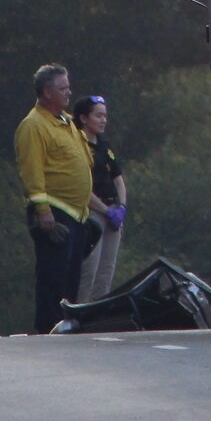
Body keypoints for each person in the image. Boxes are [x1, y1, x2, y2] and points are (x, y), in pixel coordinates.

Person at [14, 63, 93, 333]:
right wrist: (43, 211)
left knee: (70, 278)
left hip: (76, 212)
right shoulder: (33, 126)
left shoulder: (67, 121)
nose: (69, 92)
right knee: (53, 277)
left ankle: (66, 326)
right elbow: (32, 171)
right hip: (55, 212)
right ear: (47, 92)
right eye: (63, 88)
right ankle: (48, 329)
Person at [75, 95, 127, 302]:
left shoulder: (105, 146)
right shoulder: (78, 146)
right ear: (84, 118)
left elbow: (119, 179)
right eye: (98, 115)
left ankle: (100, 314)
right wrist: (105, 211)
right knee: (90, 270)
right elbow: (81, 188)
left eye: (105, 116)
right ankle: (79, 312)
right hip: (94, 213)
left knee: (106, 271)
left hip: (113, 211)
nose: (103, 120)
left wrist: (121, 206)